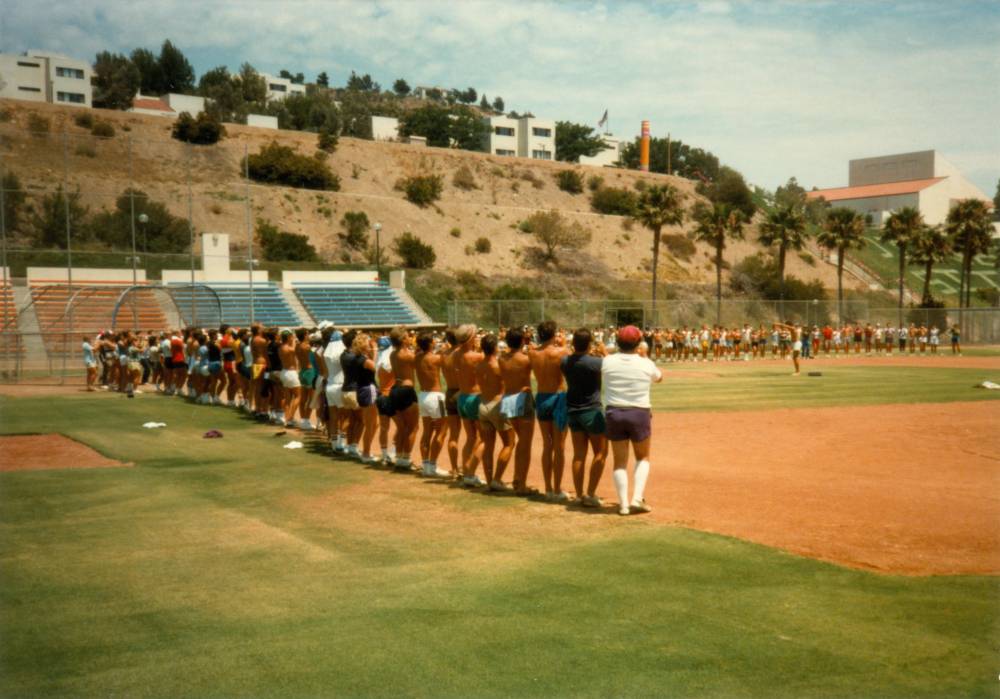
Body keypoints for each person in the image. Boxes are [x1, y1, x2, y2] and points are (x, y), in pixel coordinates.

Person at [602, 325, 663, 516]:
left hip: (614, 412)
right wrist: (645, 358)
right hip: (639, 412)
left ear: (618, 342)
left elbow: (605, 364)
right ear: (638, 343)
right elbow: (659, 378)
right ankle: (637, 498)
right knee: (642, 457)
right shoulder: (645, 363)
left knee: (619, 462)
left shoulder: (607, 361)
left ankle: (623, 505)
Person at [561, 328, 607, 508]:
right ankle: (590, 493)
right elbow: (609, 366)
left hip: (573, 410)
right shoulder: (596, 363)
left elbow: (574, 359)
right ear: (589, 343)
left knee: (579, 454)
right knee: (601, 452)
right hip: (592, 410)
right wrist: (603, 352)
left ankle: (579, 494)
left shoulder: (565, 362)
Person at [530, 320, 570, 502]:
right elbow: (569, 360)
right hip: (558, 397)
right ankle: (557, 488)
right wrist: (564, 344)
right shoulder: (561, 352)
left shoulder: (533, 353)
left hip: (542, 397)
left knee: (547, 445)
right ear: (553, 334)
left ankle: (547, 488)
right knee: (559, 446)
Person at [498, 327, 536, 496]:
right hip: (523, 397)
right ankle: (521, 483)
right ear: (522, 341)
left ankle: (517, 479)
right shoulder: (526, 359)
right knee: (525, 444)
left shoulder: (501, 359)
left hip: (507, 399)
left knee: (519, 441)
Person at [454, 324, 485, 487]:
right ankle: (471, 473)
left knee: (470, 438)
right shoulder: (476, 357)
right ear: (470, 338)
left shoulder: (456, 355)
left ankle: (466, 471)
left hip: (463, 397)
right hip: (474, 397)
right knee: (483, 438)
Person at [415, 332, 449, 477]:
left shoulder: (416, 358)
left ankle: (426, 466)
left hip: (422, 396)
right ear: (430, 344)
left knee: (426, 432)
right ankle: (433, 466)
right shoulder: (437, 358)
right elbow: (448, 361)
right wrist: (446, 349)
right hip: (436, 396)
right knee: (441, 432)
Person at [388, 327, 420, 471]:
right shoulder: (407, 355)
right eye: (407, 337)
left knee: (402, 428)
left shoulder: (393, 354)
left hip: (395, 389)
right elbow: (419, 364)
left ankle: (400, 457)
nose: (410, 338)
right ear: (402, 340)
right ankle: (406, 458)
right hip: (407, 390)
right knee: (413, 427)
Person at [441, 328, 464, 479]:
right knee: (473, 435)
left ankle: (454, 468)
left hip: (449, 392)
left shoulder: (444, 355)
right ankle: (467, 469)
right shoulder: (461, 354)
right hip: (463, 393)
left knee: (453, 435)